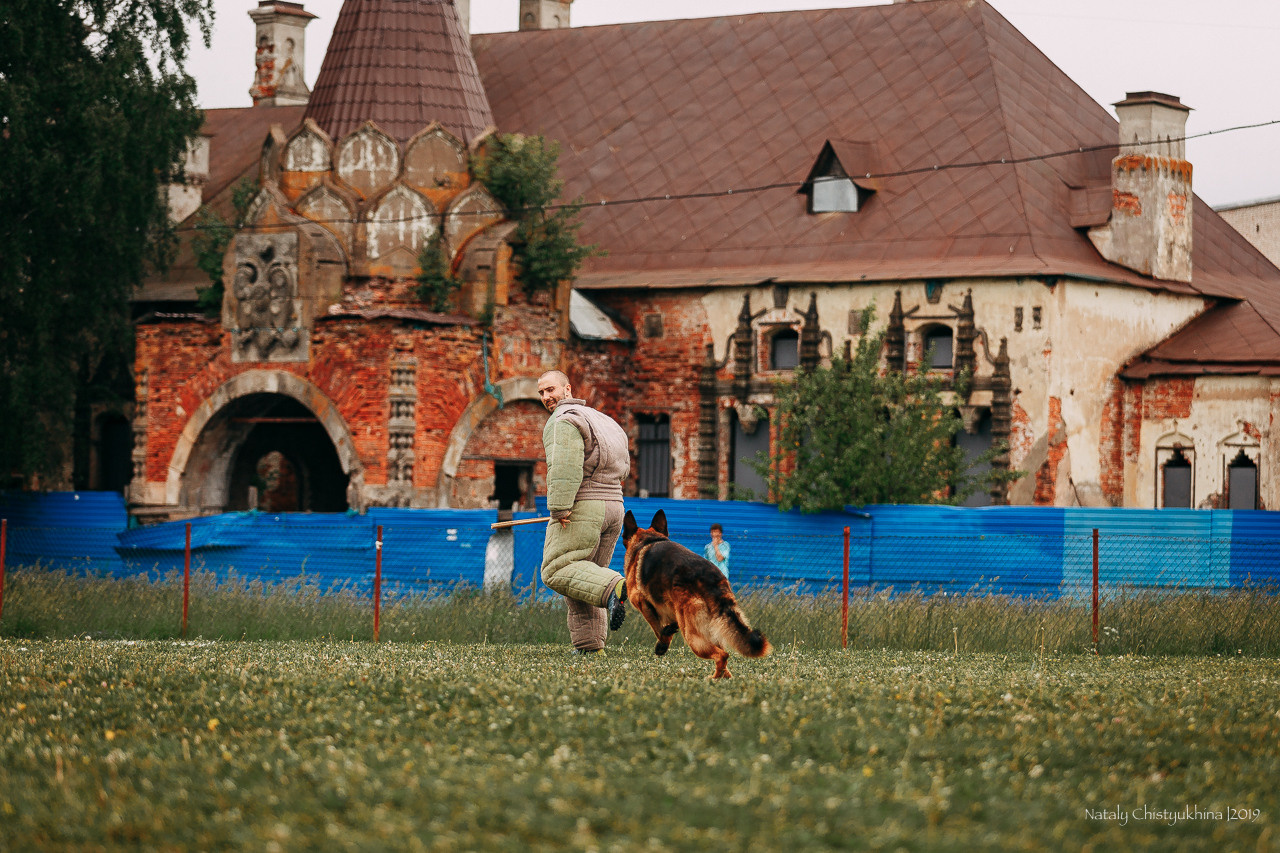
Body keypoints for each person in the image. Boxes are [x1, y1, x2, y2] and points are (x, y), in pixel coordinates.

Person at [537, 370, 630, 655]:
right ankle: (590, 648)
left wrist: (560, 508)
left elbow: (564, 466)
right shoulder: (604, 420)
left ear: (567, 390)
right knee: (582, 580)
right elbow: (624, 466)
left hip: (583, 505)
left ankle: (616, 587)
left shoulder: (564, 421)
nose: (546, 397)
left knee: (557, 569)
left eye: (550, 389)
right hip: (615, 507)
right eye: (541, 393)